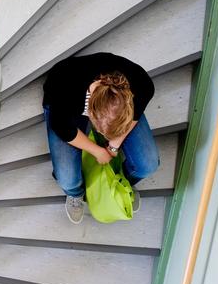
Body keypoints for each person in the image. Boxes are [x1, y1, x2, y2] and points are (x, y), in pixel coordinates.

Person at [42, 52, 159, 224]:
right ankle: (76, 193)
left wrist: (114, 144)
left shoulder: (141, 84)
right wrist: (97, 151)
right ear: (90, 115)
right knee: (67, 178)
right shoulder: (65, 91)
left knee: (148, 165)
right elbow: (63, 129)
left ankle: (120, 181)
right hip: (66, 104)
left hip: (113, 107)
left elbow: (136, 113)